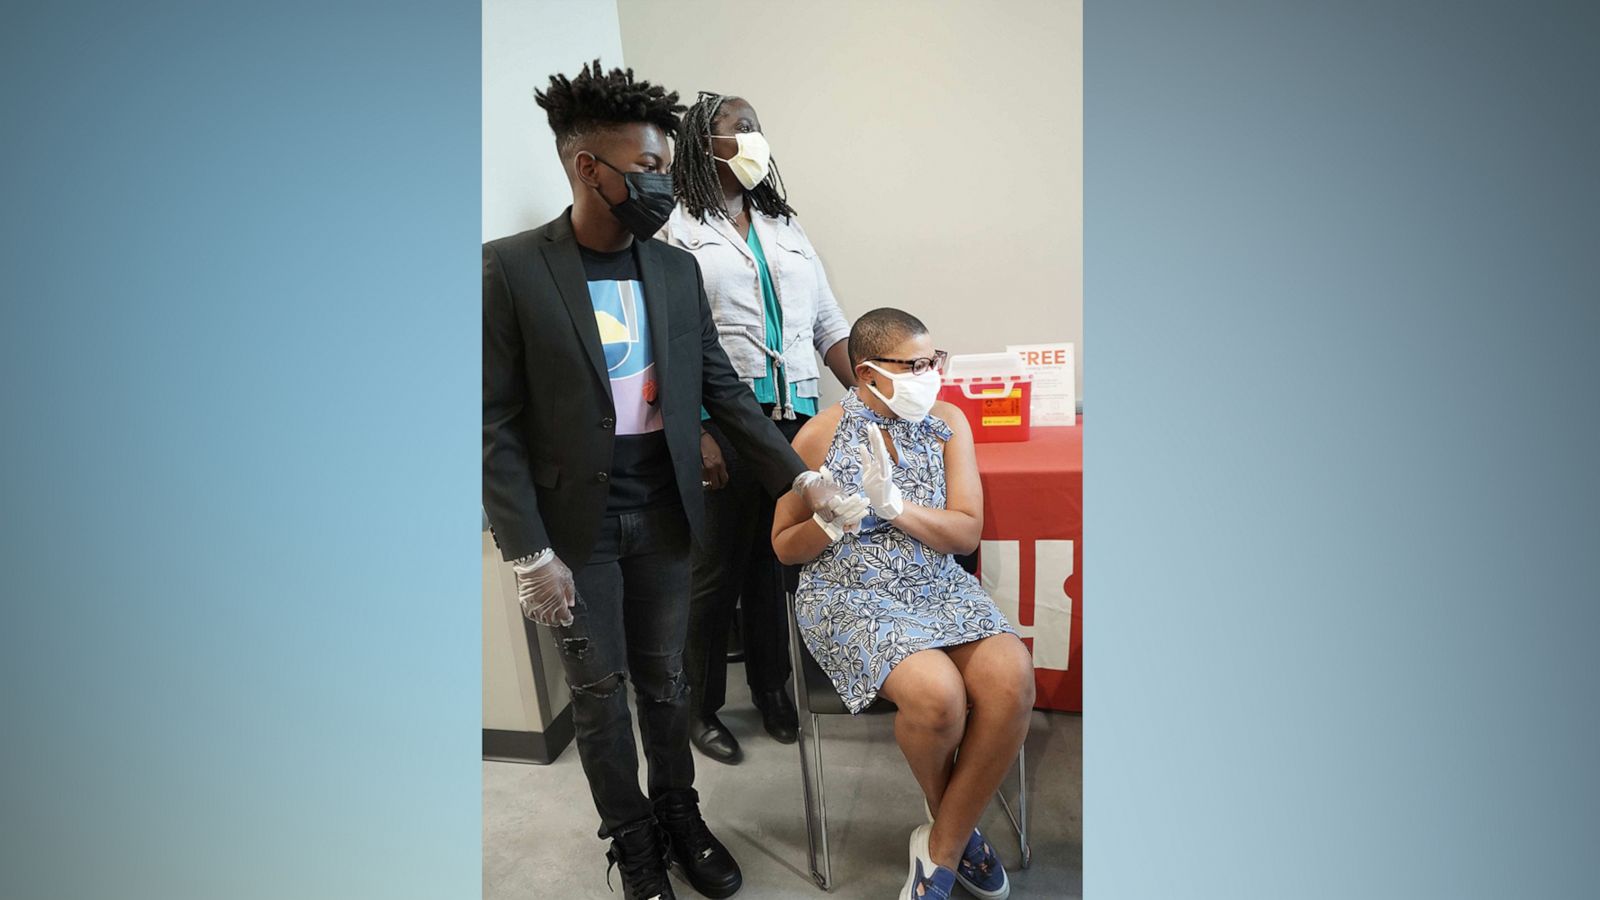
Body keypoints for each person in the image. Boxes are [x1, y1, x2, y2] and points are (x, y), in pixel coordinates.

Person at [482, 60, 867, 900]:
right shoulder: (509, 269)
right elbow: (493, 422)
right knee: (597, 691)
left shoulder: (672, 270)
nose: (662, 183)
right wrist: (526, 550)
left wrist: (801, 481)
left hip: (663, 511)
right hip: (572, 527)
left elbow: (722, 393)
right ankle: (633, 839)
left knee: (666, 679)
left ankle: (679, 812)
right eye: (649, 168)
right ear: (590, 167)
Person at [771, 308, 1037, 900]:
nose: (929, 374)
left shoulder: (947, 423)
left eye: (932, 361)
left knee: (1012, 677)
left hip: (937, 584)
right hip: (850, 593)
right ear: (867, 373)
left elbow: (966, 532)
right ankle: (958, 838)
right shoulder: (819, 435)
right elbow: (784, 548)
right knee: (938, 694)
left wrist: (897, 509)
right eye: (914, 365)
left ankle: (938, 846)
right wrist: (831, 524)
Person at [657, 92, 856, 764]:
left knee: (775, 565)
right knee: (713, 572)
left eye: (758, 128)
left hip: (793, 416)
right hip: (723, 422)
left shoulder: (783, 227)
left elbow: (828, 324)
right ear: (699, 144)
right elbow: (668, 347)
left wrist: (870, 392)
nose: (754, 139)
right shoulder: (672, 232)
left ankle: (774, 691)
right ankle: (699, 707)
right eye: (739, 128)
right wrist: (702, 433)